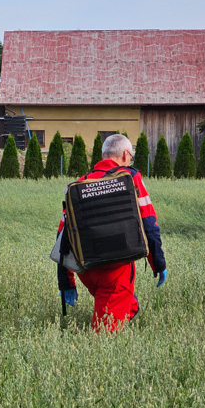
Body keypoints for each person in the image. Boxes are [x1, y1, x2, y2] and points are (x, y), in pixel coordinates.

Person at [57, 134, 167, 332]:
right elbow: (149, 224)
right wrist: (158, 263)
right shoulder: (130, 178)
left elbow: (63, 237)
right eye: (131, 157)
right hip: (115, 271)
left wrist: (66, 282)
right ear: (125, 155)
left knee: (130, 307)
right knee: (104, 335)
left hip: (86, 269)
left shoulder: (81, 183)